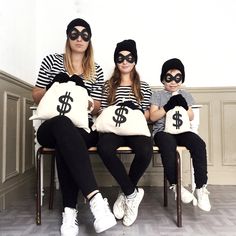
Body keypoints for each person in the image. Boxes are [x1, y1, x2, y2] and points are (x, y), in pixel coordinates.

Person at [32, 18, 116, 236]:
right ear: (68, 36)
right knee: (62, 124)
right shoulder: (51, 61)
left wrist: (86, 100)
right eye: (74, 34)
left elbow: (97, 108)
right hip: (51, 126)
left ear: (89, 40)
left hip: (82, 128)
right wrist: (54, 85)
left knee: (67, 140)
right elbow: (35, 95)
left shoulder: (94, 69)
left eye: (84, 35)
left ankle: (69, 212)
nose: (79, 38)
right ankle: (96, 200)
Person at [97, 39, 153, 226]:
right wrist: (117, 107)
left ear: (135, 60)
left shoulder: (143, 87)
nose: (125, 61)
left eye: (129, 57)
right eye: (120, 57)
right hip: (113, 128)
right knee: (104, 147)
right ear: (115, 60)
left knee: (146, 149)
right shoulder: (107, 86)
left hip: (134, 129)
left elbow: (147, 115)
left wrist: (133, 110)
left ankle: (125, 193)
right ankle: (132, 193)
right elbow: (102, 112)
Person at [150, 58, 211, 212]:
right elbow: (152, 117)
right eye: (169, 77)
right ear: (163, 79)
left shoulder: (185, 95)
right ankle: (176, 185)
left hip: (182, 130)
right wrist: (168, 106)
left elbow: (190, 116)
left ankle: (201, 187)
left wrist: (184, 105)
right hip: (163, 132)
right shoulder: (157, 95)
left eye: (178, 77)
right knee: (168, 144)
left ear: (182, 79)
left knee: (199, 144)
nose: (173, 82)